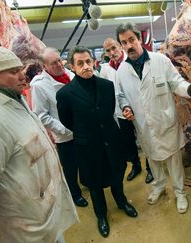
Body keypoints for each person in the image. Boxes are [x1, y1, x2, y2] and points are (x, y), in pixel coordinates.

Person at [0, 44, 78, 242]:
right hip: (26, 220)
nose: (23, 76)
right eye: (14, 72)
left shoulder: (7, 94)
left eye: (20, 69)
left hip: (40, 207)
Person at [115, 23, 191, 214]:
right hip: (144, 126)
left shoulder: (160, 61)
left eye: (131, 40)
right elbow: (121, 95)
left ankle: (180, 192)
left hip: (165, 122)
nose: (128, 46)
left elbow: (176, 83)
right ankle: (159, 186)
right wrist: (125, 107)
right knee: (152, 159)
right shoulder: (121, 72)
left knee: (174, 161)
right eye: (124, 43)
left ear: (139, 39)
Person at [56, 46, 138, 238]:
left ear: (94, 62)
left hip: (111, 139)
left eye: (88, 61)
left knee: (116, 174)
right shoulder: (65, 94)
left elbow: (108, 111)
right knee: (94, 183)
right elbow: (67, 121)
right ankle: (101, 215)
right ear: (72, 66)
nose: (86, 66)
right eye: (80, 63)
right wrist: (87, 131)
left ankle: (122, 201)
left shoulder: (106, 86)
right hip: (88, 145)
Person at [30, 47, 88, 207]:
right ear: (45, 67)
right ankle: (75, 194)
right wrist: (64, 129)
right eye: (54, 63)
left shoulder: (70, 74)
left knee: (85, 160)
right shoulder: (39, 86)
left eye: (59, 59)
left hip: (83, 129)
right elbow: (41, 115)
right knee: (70, 167)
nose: (60, 64)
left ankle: (86, 182)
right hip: (65, 135)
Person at [100, 37, 154, 183]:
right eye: (108, 50)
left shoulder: (130, 62)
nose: (112, 52)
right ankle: (136, 166)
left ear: (120, 46)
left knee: (144, 139)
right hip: (120, 113)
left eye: (114, 48)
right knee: (128, 143)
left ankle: (151, 168)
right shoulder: (106, 69)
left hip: (138, 110)